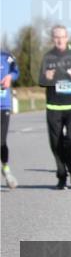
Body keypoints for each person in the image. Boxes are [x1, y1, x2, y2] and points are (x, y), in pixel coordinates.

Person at [38, 25, 71, 189]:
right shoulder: (48, 56)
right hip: (54, 106)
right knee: (56, 143)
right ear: (53, 39)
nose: (59, 40)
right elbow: (41, 81)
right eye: (56, 37)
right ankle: (61, 175)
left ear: (67, 37)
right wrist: (47, 77)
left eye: (62, 36)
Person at [1, 48, 20, 188]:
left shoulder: (6, 56)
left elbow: (15, 71)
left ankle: (6, 169)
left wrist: (9, 77)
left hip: (3, 105)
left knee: (1, 141)